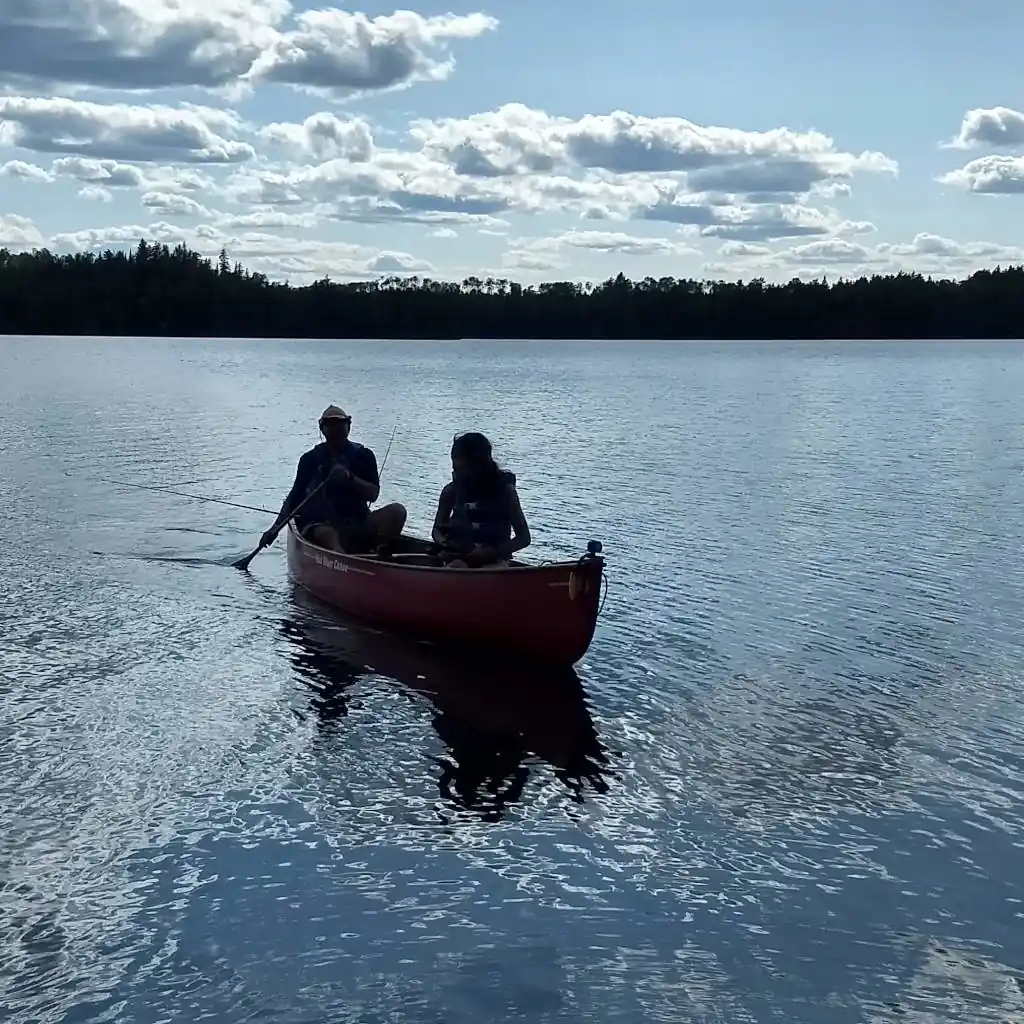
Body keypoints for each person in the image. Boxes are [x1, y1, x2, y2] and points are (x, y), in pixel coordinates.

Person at [261, 405, 406, 553]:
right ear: (323, 429)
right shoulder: (310, 459)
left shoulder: (364, 456)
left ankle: (380, 550)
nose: (336, 428)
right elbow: (294, 498)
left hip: (358, 523)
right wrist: (274, 529)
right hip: (322, 524)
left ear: (348, 427)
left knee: (397, 511)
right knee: (327, 534)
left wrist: (349, 478)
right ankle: (342, 558)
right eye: (331, 424)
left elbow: (373, 494)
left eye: (340, 424)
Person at [431, 432, 531, 567]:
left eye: (460, 467)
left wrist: (490, 553)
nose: (455, 471)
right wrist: (444, 543)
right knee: (455, 568)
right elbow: (436, 530)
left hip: (494, 563)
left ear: (478, 464)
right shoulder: (450, 491)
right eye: (454, 466)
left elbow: (523, 538)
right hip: (456, 560)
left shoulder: (506, 492)